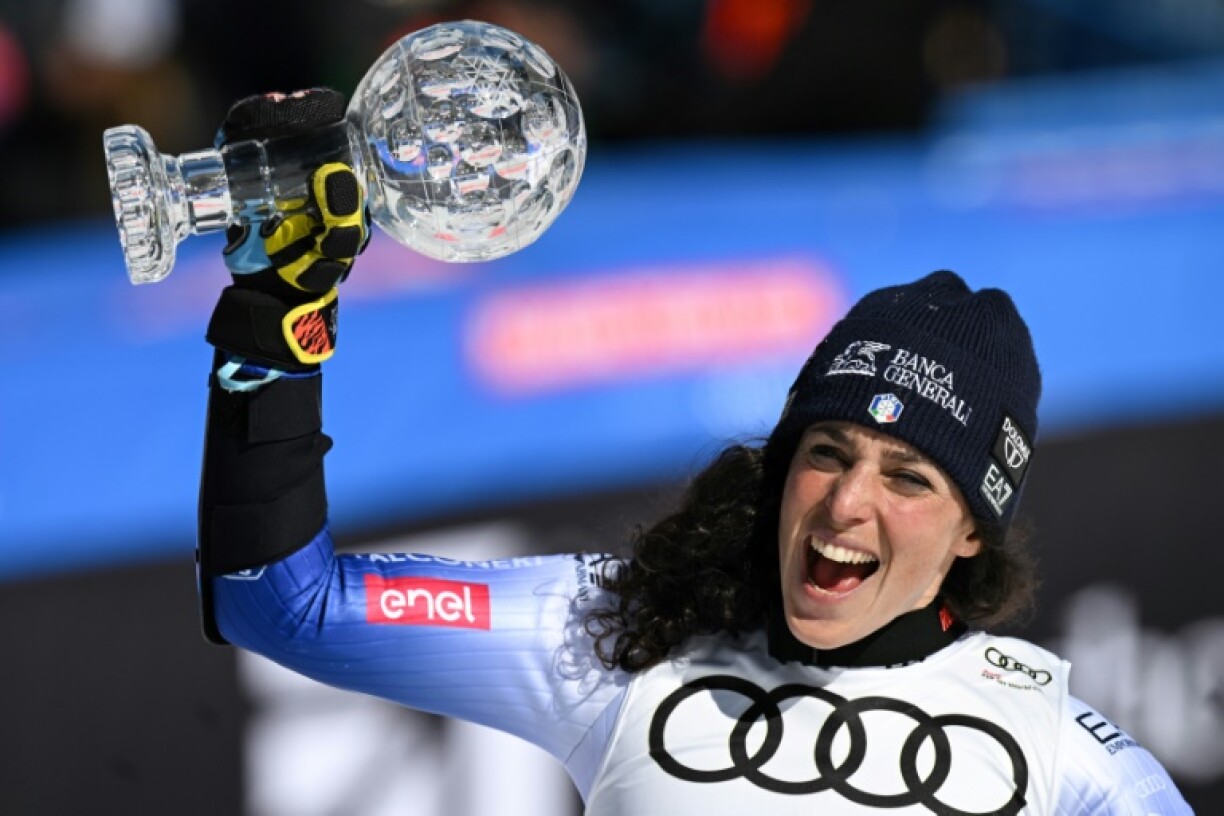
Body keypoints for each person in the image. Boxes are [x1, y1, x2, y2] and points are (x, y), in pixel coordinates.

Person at [196, 89, 1193, 815]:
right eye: (828, 451)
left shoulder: (1058, 753)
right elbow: (281, 605)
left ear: (974, 528)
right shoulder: (618, 633)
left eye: (907, 478)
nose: (847, 503)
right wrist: (278, 319)